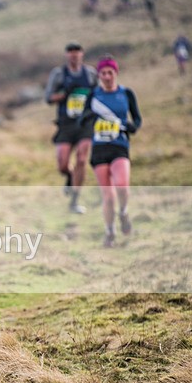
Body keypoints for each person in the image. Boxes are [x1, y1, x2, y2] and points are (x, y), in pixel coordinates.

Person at [78, 56, 142, 247]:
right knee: (107, 196)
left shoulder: (126, 94)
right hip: (99, 149)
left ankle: (123, 213)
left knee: (122, 186)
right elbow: (81, 121)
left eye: (110, 72)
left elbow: (137, 120)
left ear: (116, 73)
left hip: (120, 145)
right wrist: (90, 115)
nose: (106, 76)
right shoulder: (93, 96)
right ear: (98, 76)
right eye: (103, 73)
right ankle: (110, 232)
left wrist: (131, 126)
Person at [45, 41, 98, 213]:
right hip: (65, 123)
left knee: (82, 159)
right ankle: (69, 177)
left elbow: (98, 95)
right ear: (67, 55)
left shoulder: (90, 74)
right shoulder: (59, 74)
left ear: (82, 54)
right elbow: (48, 98)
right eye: (70, 52)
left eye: (77, 51)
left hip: (85, 122)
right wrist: (64, 95)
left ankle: (74, 201)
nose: (74, 55)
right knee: (62, 164)